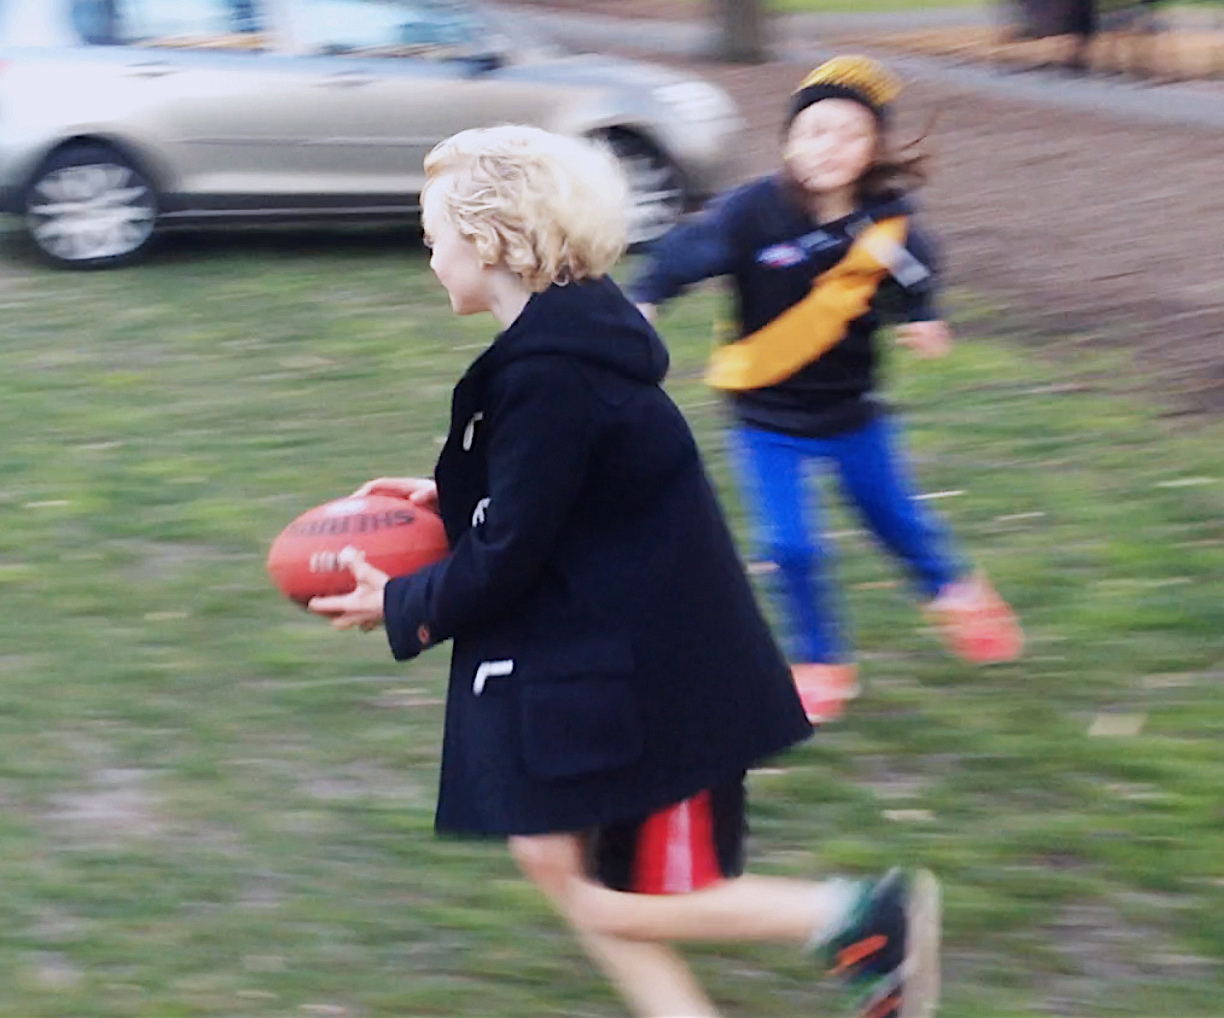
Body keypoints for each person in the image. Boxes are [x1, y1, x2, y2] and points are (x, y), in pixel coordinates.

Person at [310, 124, 941, 1018]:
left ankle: (857, 919)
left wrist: (401, 600)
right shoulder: (568, 335)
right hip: (595, 656)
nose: (429, 257)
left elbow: (513, 550)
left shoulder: (549, 372)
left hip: (655, 677)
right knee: (546, 852)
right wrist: (454, 499)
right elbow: (563, 489)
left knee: (624, 900)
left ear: (490, 240)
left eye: (433, 237)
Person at [630, 56, 1022, 725]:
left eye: (849, 133)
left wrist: (922, 315)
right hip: (764, 419)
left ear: (872, 148)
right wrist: (647, 295)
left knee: (897, 523)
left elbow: (917, 270)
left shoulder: (884, 224)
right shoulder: (754, 212)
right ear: (789, 141)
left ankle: (957, 594)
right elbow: (687, 251)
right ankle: (818, 660)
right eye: (814, 131)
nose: (829, 147)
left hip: (852, 416)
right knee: (789, 547)